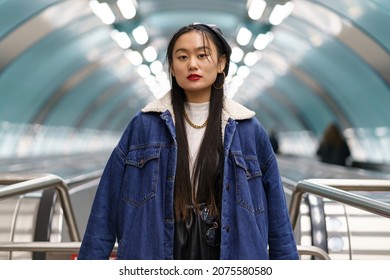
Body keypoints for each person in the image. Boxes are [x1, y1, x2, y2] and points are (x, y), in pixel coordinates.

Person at [78, 23, 298, 260]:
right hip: (156, 253)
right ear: (172, 67)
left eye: (202, 55)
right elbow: (106, 208)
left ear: (221, 63)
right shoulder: (144, 125)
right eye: (182, 57)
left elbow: (278, 222)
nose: (192, 64)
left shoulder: (249, 130)